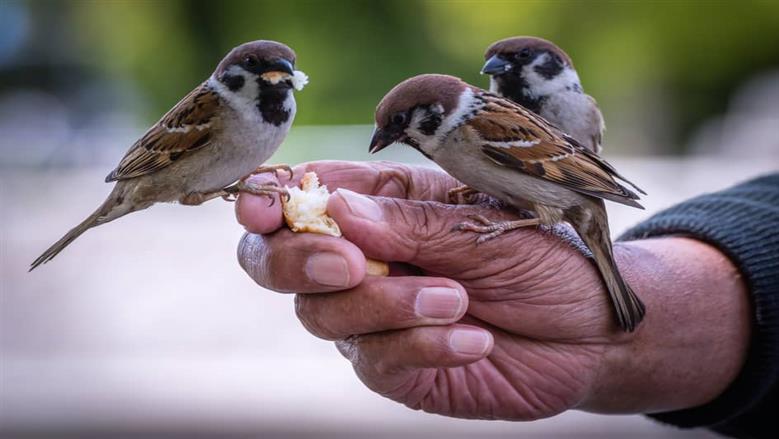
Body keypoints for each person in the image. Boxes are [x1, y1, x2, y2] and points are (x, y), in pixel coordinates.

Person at [235, 160, 778, 438]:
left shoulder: (489, 127)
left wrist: (489, 229)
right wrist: (618, 349)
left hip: (565, 202)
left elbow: (551, 182)